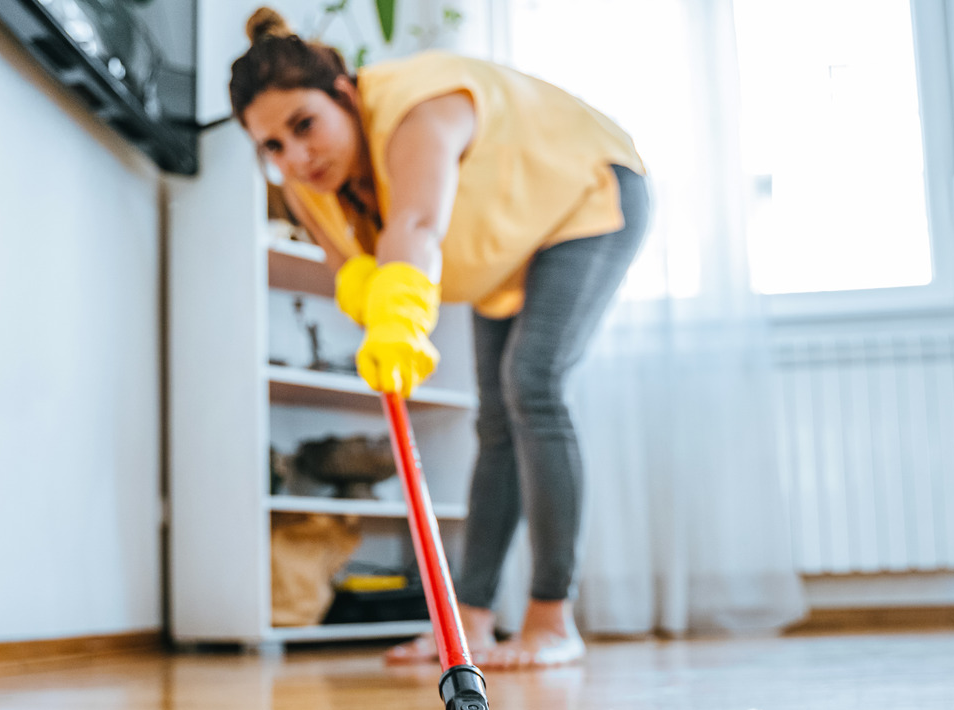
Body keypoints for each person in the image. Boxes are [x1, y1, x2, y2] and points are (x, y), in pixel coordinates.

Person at [230, 8, 648, 669]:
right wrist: (374, 301)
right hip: (505, 246)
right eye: (272, 146)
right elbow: (352, 268)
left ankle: (551, 618)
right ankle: (469, 623)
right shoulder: (311, 188)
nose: (294, 156)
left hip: (583, 193)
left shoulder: (415, 108)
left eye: (303, 124)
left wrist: (400, 322)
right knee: (496, 421)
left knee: (532, 385)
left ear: (345, 92)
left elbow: (418, 224)